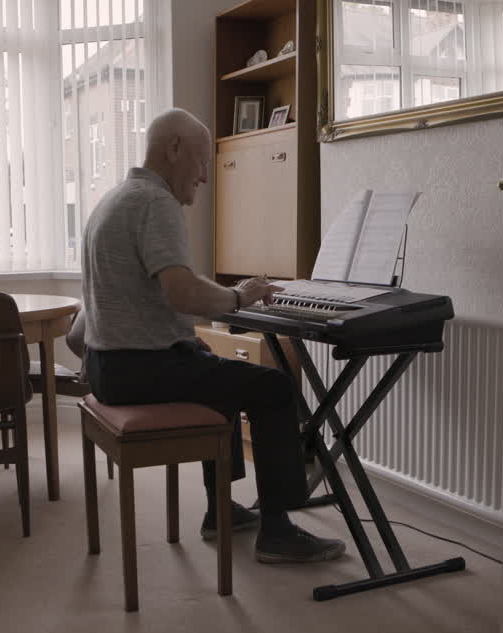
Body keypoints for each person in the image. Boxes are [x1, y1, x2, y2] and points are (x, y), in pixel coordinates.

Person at [78, 108, 345, 564]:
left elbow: (80, 327)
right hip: (137, 370)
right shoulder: (155, 202)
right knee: (275, 388)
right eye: (202, 162)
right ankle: (278, 531)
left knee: (206, 362)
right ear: (174, 148)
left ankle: (220, 510)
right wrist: (239, 298)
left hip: (106, 367)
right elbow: (181, 292)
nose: (204, 177)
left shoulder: (112, 201)